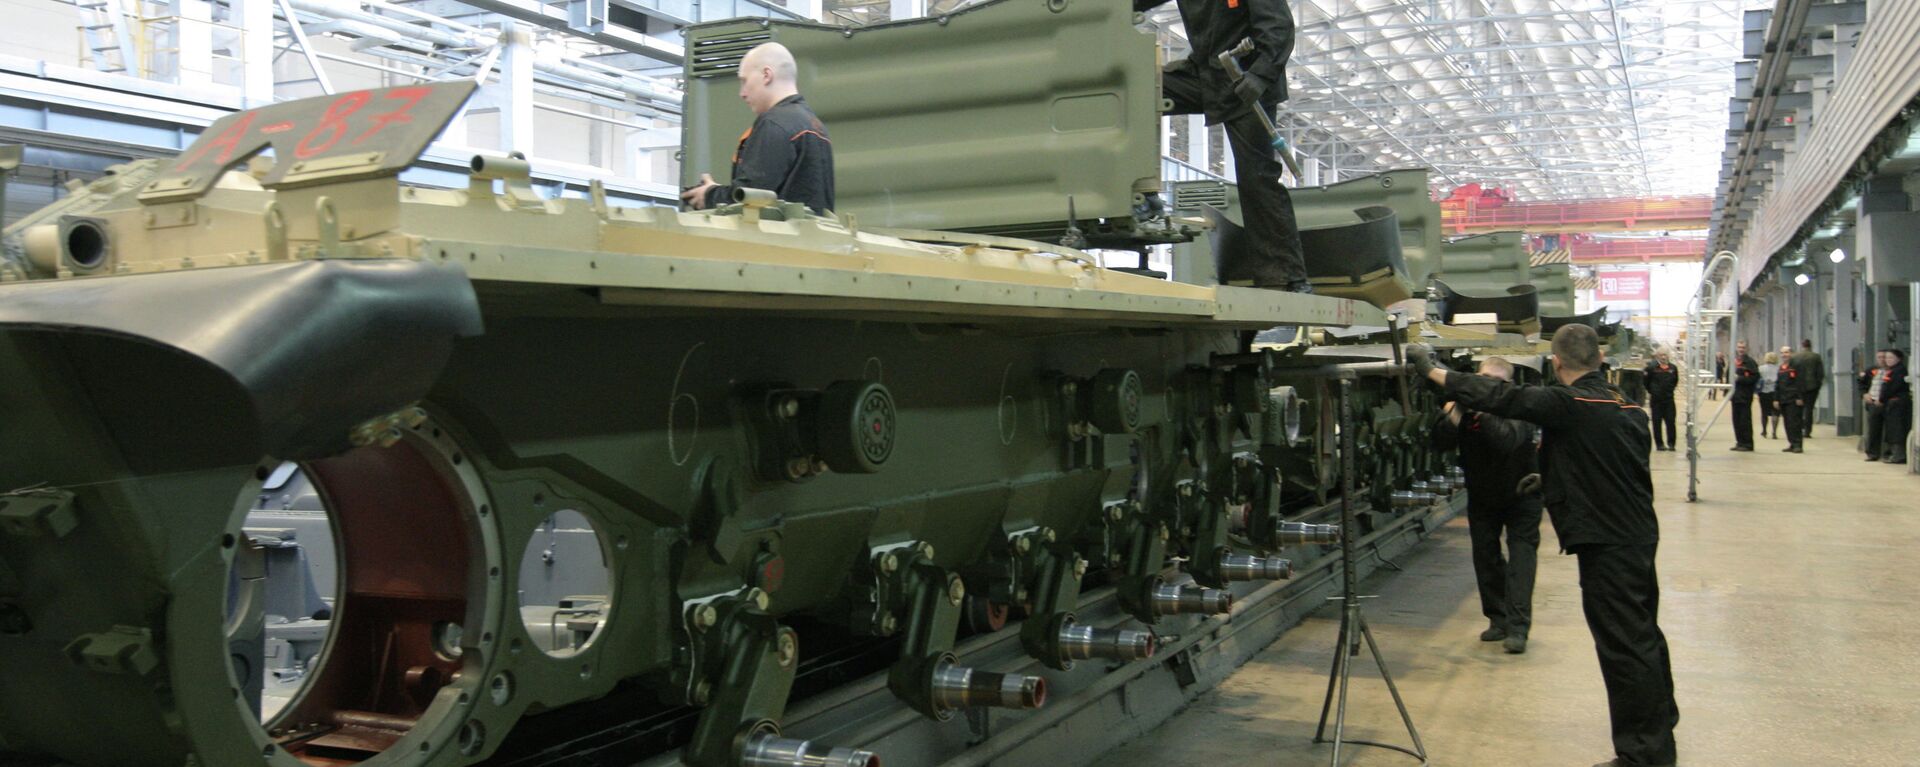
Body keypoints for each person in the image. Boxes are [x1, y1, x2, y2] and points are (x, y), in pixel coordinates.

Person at [1410, 325, 1678, 767]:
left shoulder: (1568, 402)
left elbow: (1502, 398)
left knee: (1623, 647)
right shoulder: (1624, 404)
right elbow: (1610, 463)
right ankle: (1660, 726)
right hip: (1636, 536)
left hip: (1607, 543)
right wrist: (1554, 481)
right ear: (1599, 360)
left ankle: (1643, 755)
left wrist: (1435, 372)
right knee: (1643, 635)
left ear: (1556, 364)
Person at [1135, 0, 1309, 293]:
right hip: (1206, 74)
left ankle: (1286, 276)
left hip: (1247, 79)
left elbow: (1278, 26)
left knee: (1257, 177)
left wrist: (1261, 75)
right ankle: (1144, 194)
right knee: (1137, 88)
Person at [1433, 357, 1542, 655]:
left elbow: (1508, 440)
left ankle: (1518, 627)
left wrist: (1482, 408)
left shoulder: (1522, 405)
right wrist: (1456, 414)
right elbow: (1439, 442)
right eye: (1479, 379)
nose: (1481, 386)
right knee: (1485, 555)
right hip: (1483, 494)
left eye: (1490, 382)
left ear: (1506, 385)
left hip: (1523, 492)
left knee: (1521, 557)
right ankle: (1498, 618)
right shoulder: (1465, 406)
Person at [681, 43, 836, 215]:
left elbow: (749, 198)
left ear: (766, 75)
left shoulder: (774, 124)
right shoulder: (814, 125)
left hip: (774, 238)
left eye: (744, 81)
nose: (742, 93)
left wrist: (709, 195)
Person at [1867, 348, 1910, 464]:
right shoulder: (1891, 370)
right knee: (1891, 430)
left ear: (1899, 359)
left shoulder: (1898, 371)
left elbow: (1891, 387)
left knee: (1896, 430)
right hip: (1890, 404)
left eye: (1891, 358)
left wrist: (1881, 399)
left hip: (1896, 404)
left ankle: (1898, 455)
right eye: (1887, 358)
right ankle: (1892, 454)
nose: (1887, 360)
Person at [1642, 351, 1679, 452]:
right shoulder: (1651, 368)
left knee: (1670, 422)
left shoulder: (1673, 368)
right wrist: (1653, 391)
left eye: (1665, 355)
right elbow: (1646, 382)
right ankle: (1660, 444)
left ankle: (1671, 444)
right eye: (1661, 355)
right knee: (1656, 423)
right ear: (1657, 356)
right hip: (1656, 401)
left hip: (1669, 400)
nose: (1663, 357)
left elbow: (1675, 381)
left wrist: (1669, 390)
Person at [1778, 345, 1812, 453]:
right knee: (1787, 423)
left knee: (1795, 423)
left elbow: (1801, 382)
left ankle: (1798, 444)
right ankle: (1792, 443)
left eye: (1787, 352)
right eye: (1782, 353)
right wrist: (1776, 399)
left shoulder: (1797, 365)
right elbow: (1778, 384)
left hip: (1794, 399)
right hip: (1784, 399)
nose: (1784, 355)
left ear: (1791, 354)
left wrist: (1800, 397)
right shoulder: (1781, 367)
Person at [1729, 341, 1759, 451]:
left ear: (1747, 349)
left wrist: (1740, 379)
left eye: (1743, 347)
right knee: (1736, 420)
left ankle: (1748, 444)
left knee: (1744, 420)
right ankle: (1739, 442)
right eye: (1739, 347)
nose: (1741, 349)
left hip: (1745, 396)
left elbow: (1755, 378)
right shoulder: (1734, 362)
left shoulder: (1750, 363)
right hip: (1735, 396)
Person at [1795, 339, 1825, 439]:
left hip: (1799, 386)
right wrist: (1818, 385)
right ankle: (1807, 431)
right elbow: (1820, 373)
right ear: (1810, 346)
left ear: (1802, 346)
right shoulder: (1816, 357)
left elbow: (1794, 372)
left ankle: (1799, 429)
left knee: (1799, 409)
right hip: (1812, 387)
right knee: (1809, 409)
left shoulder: (1796, 357)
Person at [1758, 351, 1780, 439]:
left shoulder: (1761, 368)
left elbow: (1758, 380)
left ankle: (1764, 430)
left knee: (1764, 412)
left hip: (1764, 392)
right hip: (1775, 392)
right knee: (1775, 412)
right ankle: (1774, 432)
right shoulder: (1779, 369)